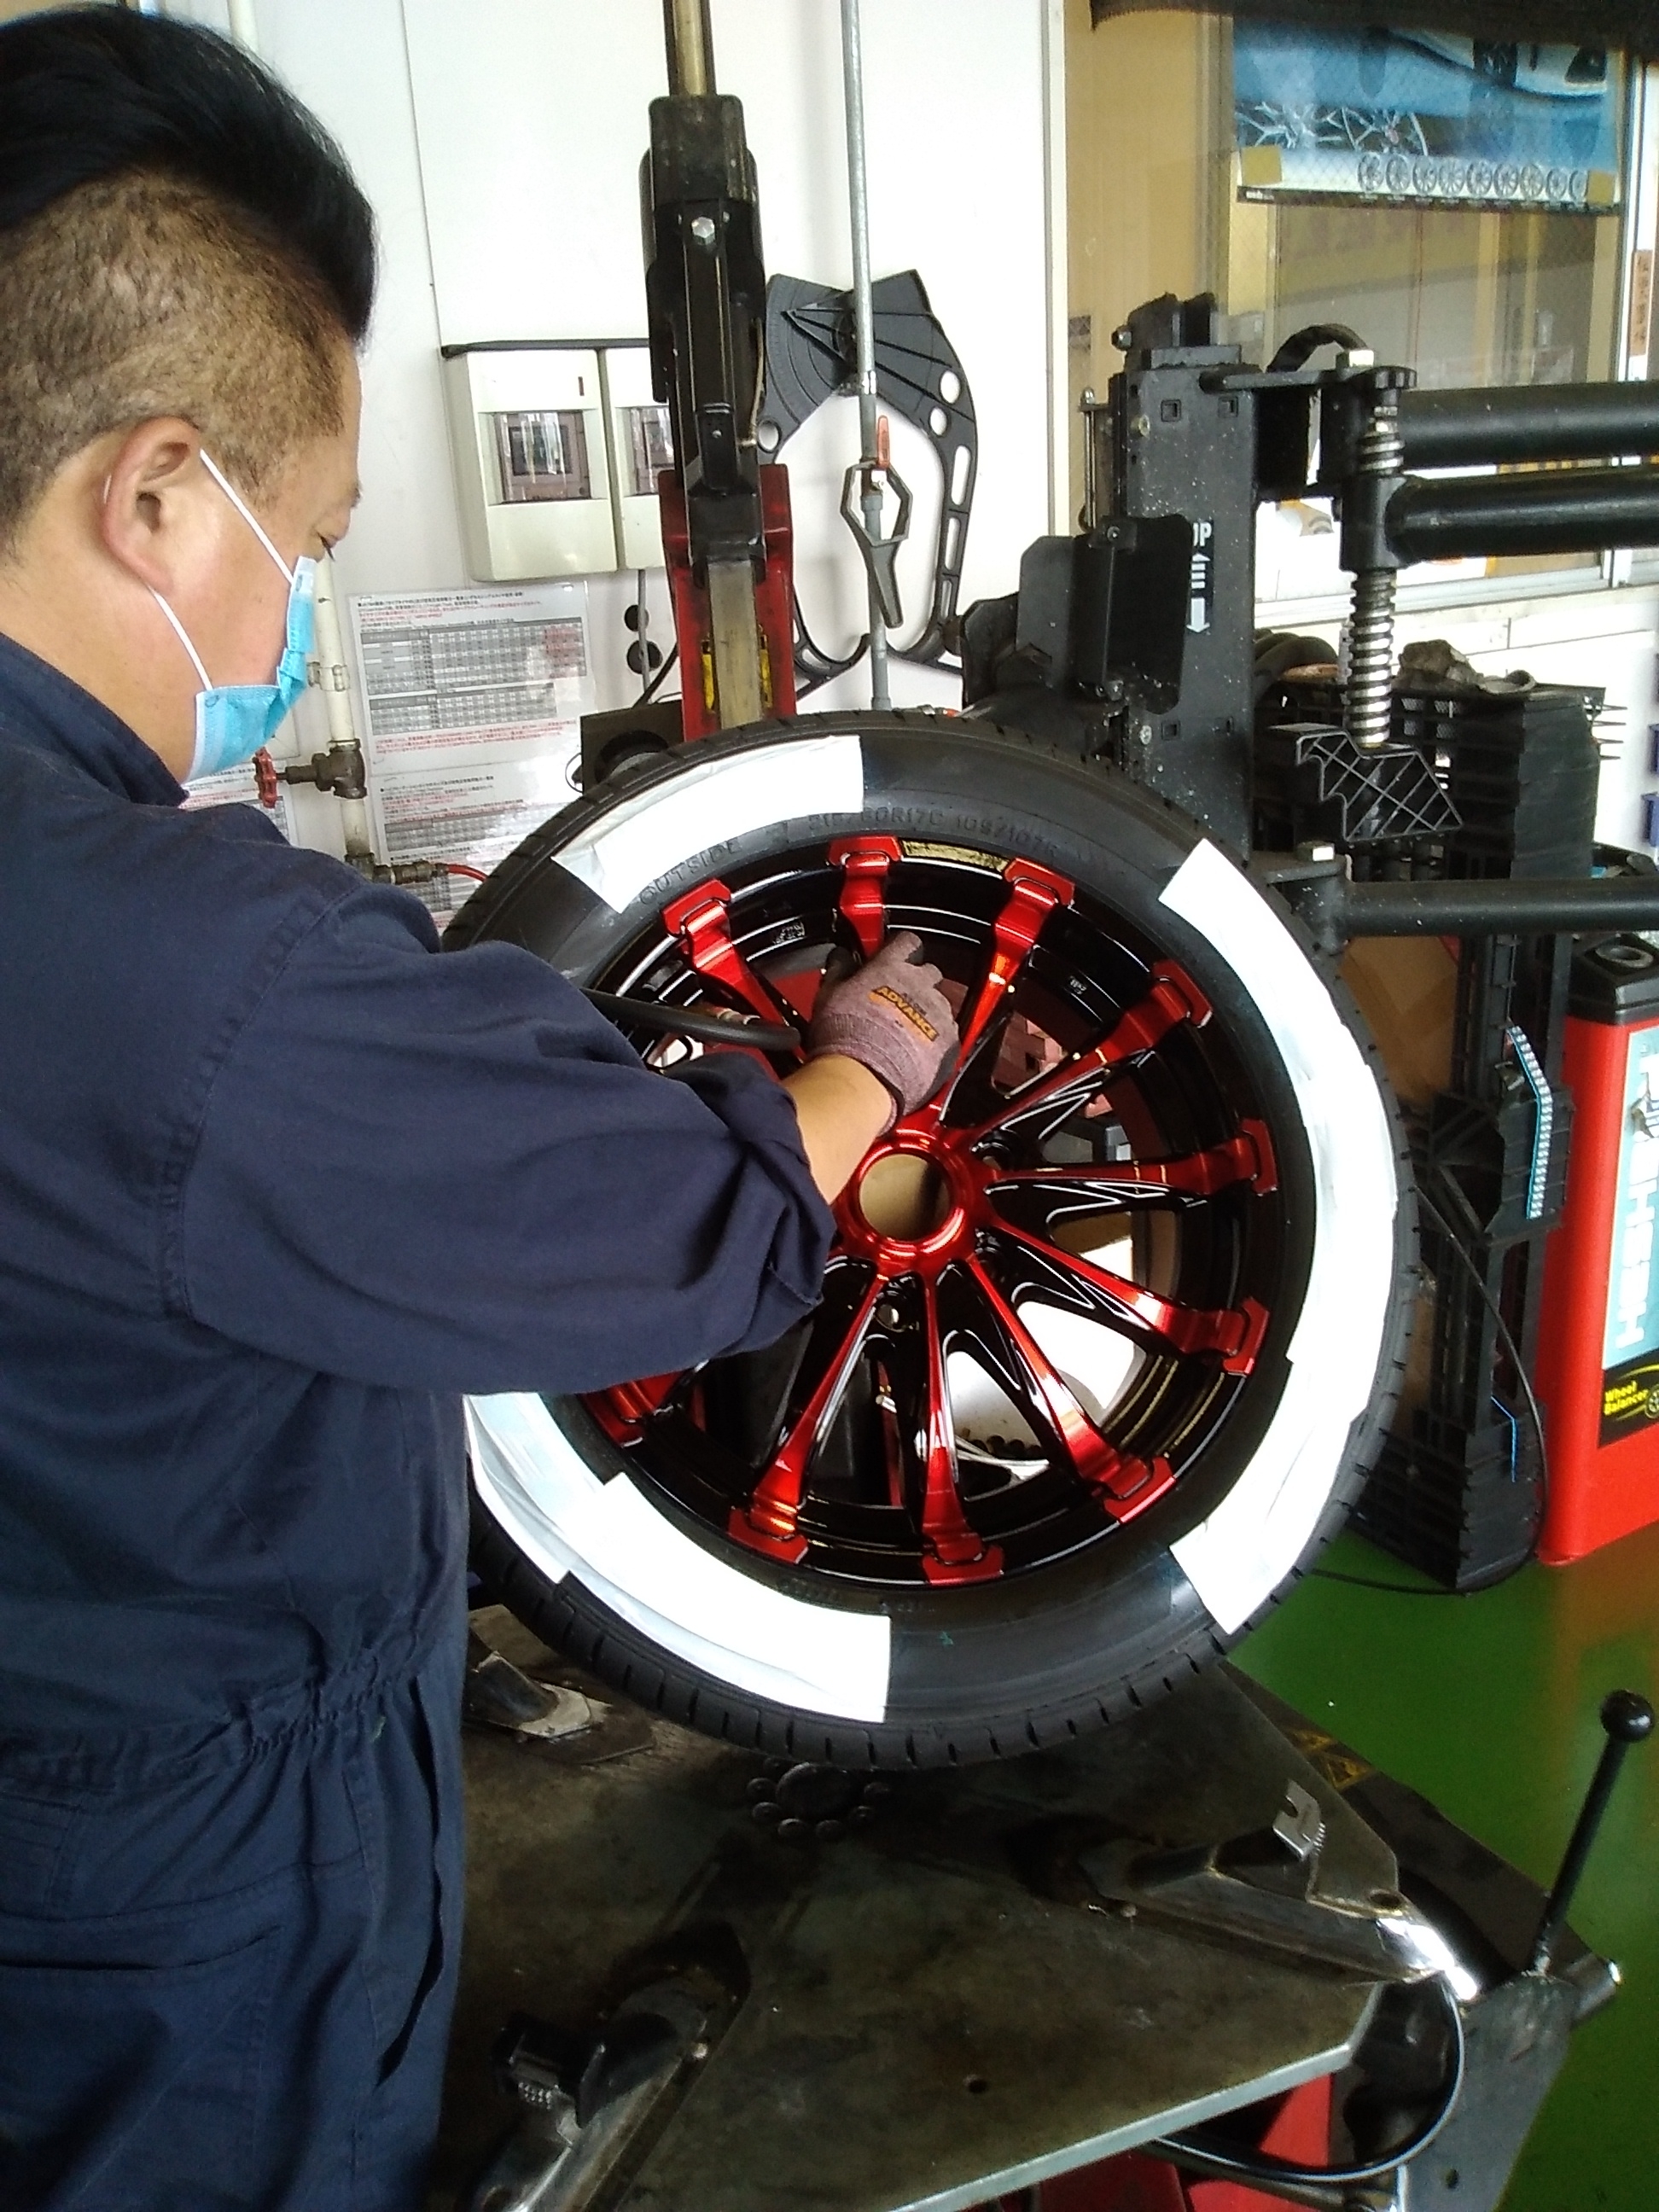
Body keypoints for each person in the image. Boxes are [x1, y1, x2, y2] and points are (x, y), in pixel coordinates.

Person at [0, 13, 958, 2209]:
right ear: (155, 493)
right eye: (309, 537)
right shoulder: (186, 975)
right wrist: (865, 1071)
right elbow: (682, 1228)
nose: (300, 601)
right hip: (163, 1951)